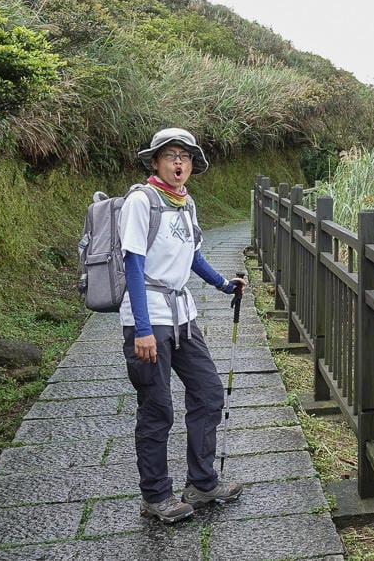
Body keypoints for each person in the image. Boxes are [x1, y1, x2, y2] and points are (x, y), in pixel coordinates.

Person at [120, 127, 245, 523]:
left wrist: (224, 284)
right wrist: (141, 329)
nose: (179, 163)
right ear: (155, 161)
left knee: (208, 394)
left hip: (183, 317)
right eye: (171, 155)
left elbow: (193, 257)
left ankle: (203, 483)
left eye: (186, 157)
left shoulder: (185, 204)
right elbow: (133, 267)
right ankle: (156, 496)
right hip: (150, 319)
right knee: (157, 410)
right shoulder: (141, 201)